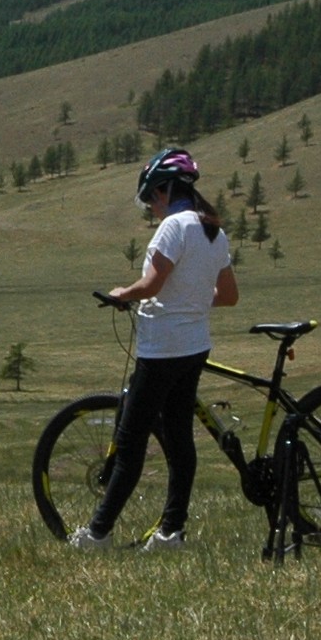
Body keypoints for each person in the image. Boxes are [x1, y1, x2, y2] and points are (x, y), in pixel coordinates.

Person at [76, 149, 238, 551]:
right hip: (195, 345)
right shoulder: (213, 231)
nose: (150, 207)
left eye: (151, 197)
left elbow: (151, 285)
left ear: (165, 190)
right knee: (180, 439)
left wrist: (121, 294)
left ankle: (98, 533)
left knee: (131, 443)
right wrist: (193, 298)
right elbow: (229, 295)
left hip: (162, 348)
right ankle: (171, 532)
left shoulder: (173, 228)